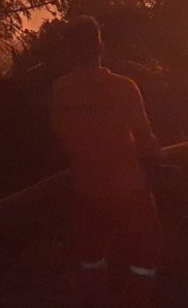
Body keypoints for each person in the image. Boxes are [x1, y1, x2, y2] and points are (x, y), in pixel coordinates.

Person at [50, 16, 162, 308]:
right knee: (143, 261)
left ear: (70, 51)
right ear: (101, 47)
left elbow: (61, 142)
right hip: (130, 189)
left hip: (86, 190)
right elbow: (146, 140)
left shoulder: (60, 91)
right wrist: (153, 177)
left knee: (91, 261)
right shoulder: (124, 87)